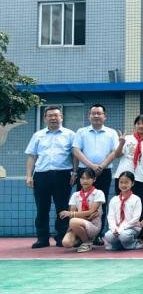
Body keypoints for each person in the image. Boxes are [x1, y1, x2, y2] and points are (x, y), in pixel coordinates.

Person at [26, 106, 76, 249]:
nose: (53, 118)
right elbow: (32, 156)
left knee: (62, 207)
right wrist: (29, 175)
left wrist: (74, 172)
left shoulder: (70, 134)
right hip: (41, 175)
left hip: (63, 175)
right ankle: (42, 238)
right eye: (50, 115)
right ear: (45, 118)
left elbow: (75, 156)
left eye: (56, 115)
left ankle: (61, 237)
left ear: (61, 117)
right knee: (42, 208)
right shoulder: (38, 135)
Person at [71, 104, 118, 245]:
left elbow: (115, 152)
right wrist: (91, 166)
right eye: (93, 113)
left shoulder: (111, 132)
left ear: (105, 116)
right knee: (81, 201)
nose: (96, 116)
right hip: (84, 172)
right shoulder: (81, 132)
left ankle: (97, 234)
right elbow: (76, 150)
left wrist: (102, 166)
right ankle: (80, 234)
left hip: (104, 172)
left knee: (100, 204)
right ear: (89, 116)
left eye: (99, 113)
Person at [113, 114, 143, 219]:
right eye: (138, 123)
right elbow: (117, 155)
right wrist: (121, 143)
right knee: (120, 204)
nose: (141, 126)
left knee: (138, 206)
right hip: (122, 177)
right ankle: (119, 226)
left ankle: (138, 229)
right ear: (135, 125)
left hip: (139, 178)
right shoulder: (127, 139)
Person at [60, 168, 105, 253]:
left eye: (88, 178)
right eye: (83, 178)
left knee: (73, 221)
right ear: (79, 180)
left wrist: (71, 214)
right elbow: (73, 215)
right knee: (66, 243)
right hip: (78, 223)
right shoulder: (75, 195)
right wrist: (84, 217)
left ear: (94, 179)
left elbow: (91, 212)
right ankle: (81, 238)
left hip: (93, 225)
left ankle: (87, 242)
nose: (85, 181)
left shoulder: (98, 193)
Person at [104, 171, 142, 251]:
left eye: (126, 182)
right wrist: (114, 229)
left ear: (132, 183)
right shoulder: (114, 199)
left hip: (132, 228)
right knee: (108, 236)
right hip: (117, 228)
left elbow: (136, 218)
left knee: (124, 235)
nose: (123, 185)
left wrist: (121, 228)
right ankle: (119, 245)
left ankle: (134, 243)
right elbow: (110, 217)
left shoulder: (136, 199)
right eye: (121, 182)